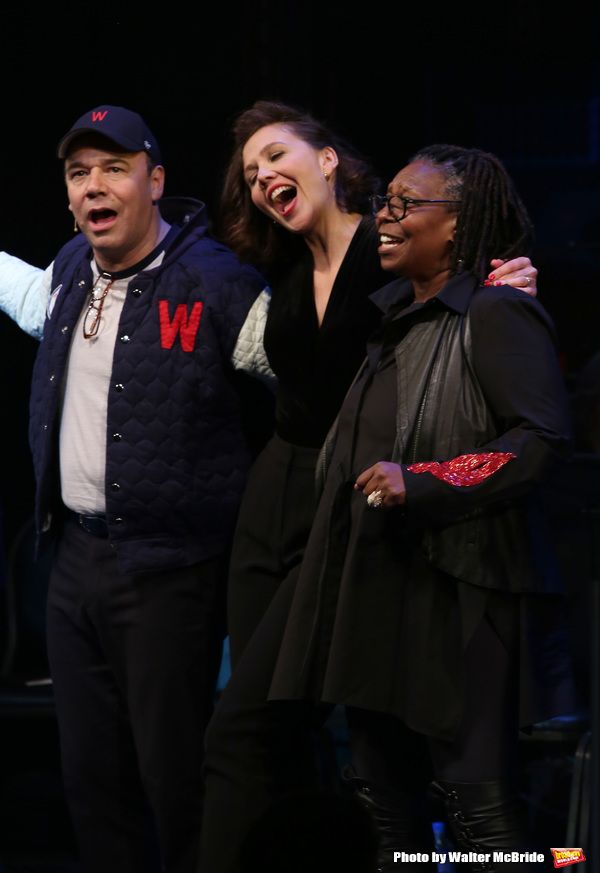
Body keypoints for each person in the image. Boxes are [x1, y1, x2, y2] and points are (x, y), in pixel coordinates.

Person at [199, 143, 574, 873]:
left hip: (460, 593)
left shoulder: (495, 313)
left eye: (407, 205)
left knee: (479, 810)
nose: (387, 218)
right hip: (378, 589)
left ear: (459, 226)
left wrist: (428, 480)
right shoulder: (395, 317)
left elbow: (541, 439)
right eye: (387, 202)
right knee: (382, 801)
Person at [0, 105, 271, 873]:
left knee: (174, 779)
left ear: (155, 181)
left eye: (114, 169)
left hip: (170, 569)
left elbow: (305, 365)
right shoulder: (68, 272)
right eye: (79, 173)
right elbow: (23, 298)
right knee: (91, 780)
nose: (95, 186)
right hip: (75, 562)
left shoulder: (214, 281)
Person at [218, 100, 539, 670]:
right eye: (251, 175)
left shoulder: (390, 251)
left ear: (327, 159)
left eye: (275, 156)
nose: (263, 177)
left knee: (313, 681)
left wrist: (511, 282)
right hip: (276, 483)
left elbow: (467, 291)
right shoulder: (283, 266)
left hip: (358, 481)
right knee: (256, 679)